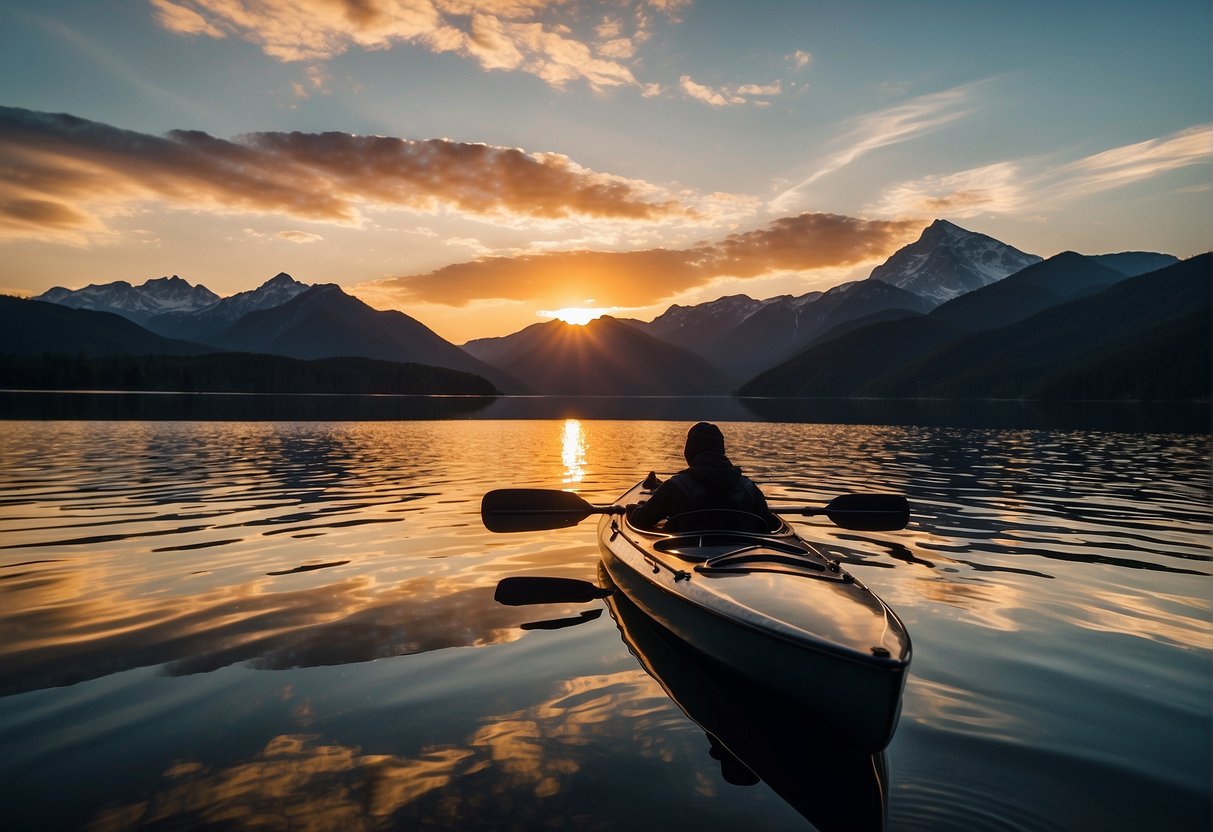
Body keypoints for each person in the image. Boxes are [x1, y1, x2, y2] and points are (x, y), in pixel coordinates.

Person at [628, 422, 778, 531]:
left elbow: (641, 520)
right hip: (741, 558)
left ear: (689, 451)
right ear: (721, 451)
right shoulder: (748, 488)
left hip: (683, 560)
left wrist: (632, 509)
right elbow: (773, 525)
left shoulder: (675, 487)